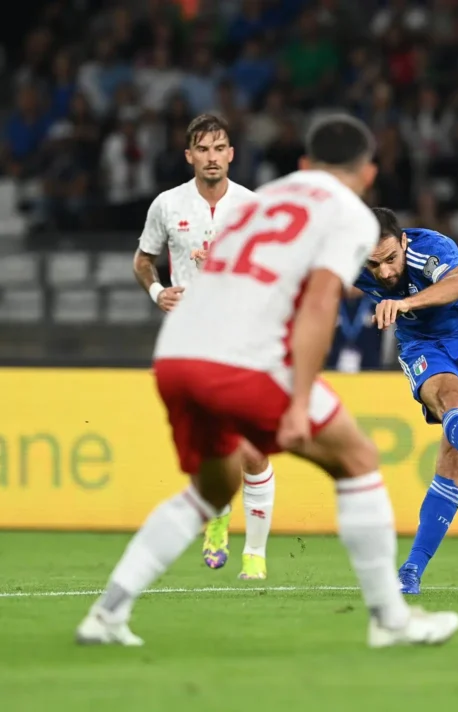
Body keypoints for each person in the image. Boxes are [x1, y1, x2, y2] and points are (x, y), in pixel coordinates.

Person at [77, 114, 458, 648]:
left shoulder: (267, 198)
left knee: (211, 489)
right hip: (241, 356)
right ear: (369, 173)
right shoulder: (348, 216)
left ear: (304, 164)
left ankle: (107, 613)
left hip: (177, 352)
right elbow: (320, 306)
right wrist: (298, 400)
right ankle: (391, 621)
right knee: (357, 459)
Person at [133, 114, 273, 580]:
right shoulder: (167, 205)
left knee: (252, 449)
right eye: (203, 149)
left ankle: (255, 555)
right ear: (189, 155)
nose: (212, 158)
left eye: (219, 148)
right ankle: (218, 518)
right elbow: (143, 260)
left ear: (231, 153)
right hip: (191, 341)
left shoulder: (253, 208)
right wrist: (158, 293)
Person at [355, 207, 458, 594]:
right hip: (423, 344)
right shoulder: (354, 262)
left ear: (403, 242)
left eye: (390, 259)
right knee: (449, 402)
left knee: (454, 458)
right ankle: (410, 573)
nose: (385, 273)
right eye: (374, 265)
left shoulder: (429, 247)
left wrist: (405, 304)